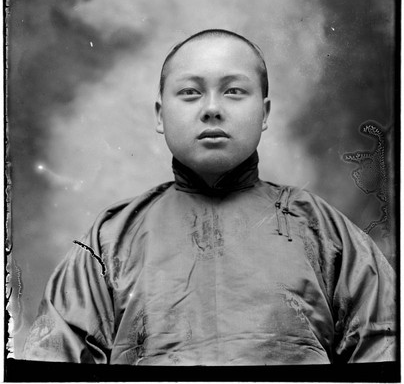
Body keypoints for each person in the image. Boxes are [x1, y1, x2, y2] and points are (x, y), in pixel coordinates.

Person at [23, 29, 396, 366]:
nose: (212, 108)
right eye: (190, 92)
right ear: (160, 114)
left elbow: (386, 351)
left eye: (234, 91)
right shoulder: (108, 241)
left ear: (264, 112)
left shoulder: (327, 233)